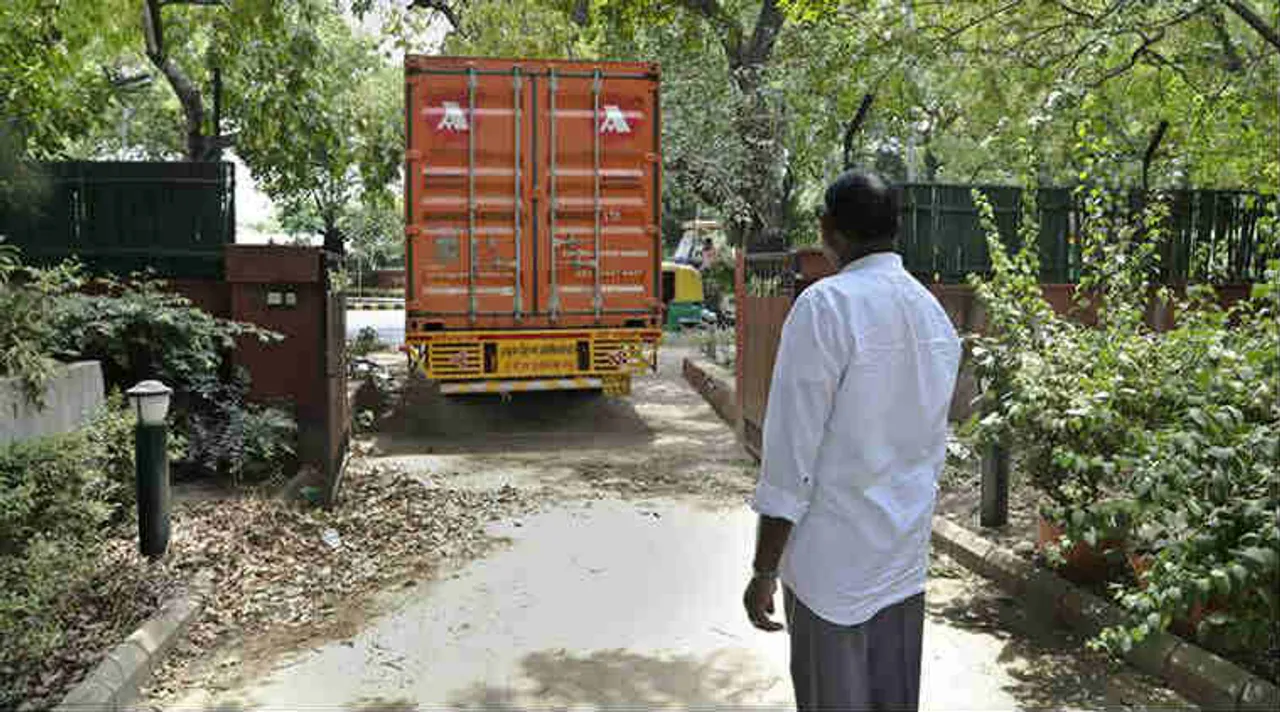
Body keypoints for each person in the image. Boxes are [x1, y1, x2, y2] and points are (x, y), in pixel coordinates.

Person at [742, 170, 962, 711]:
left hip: (831, 572)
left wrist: (764, 569)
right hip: (902, 563)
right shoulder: (932, 314)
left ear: (827, 229)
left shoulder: (825, 307)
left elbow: (790, 461)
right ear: (895, 229)